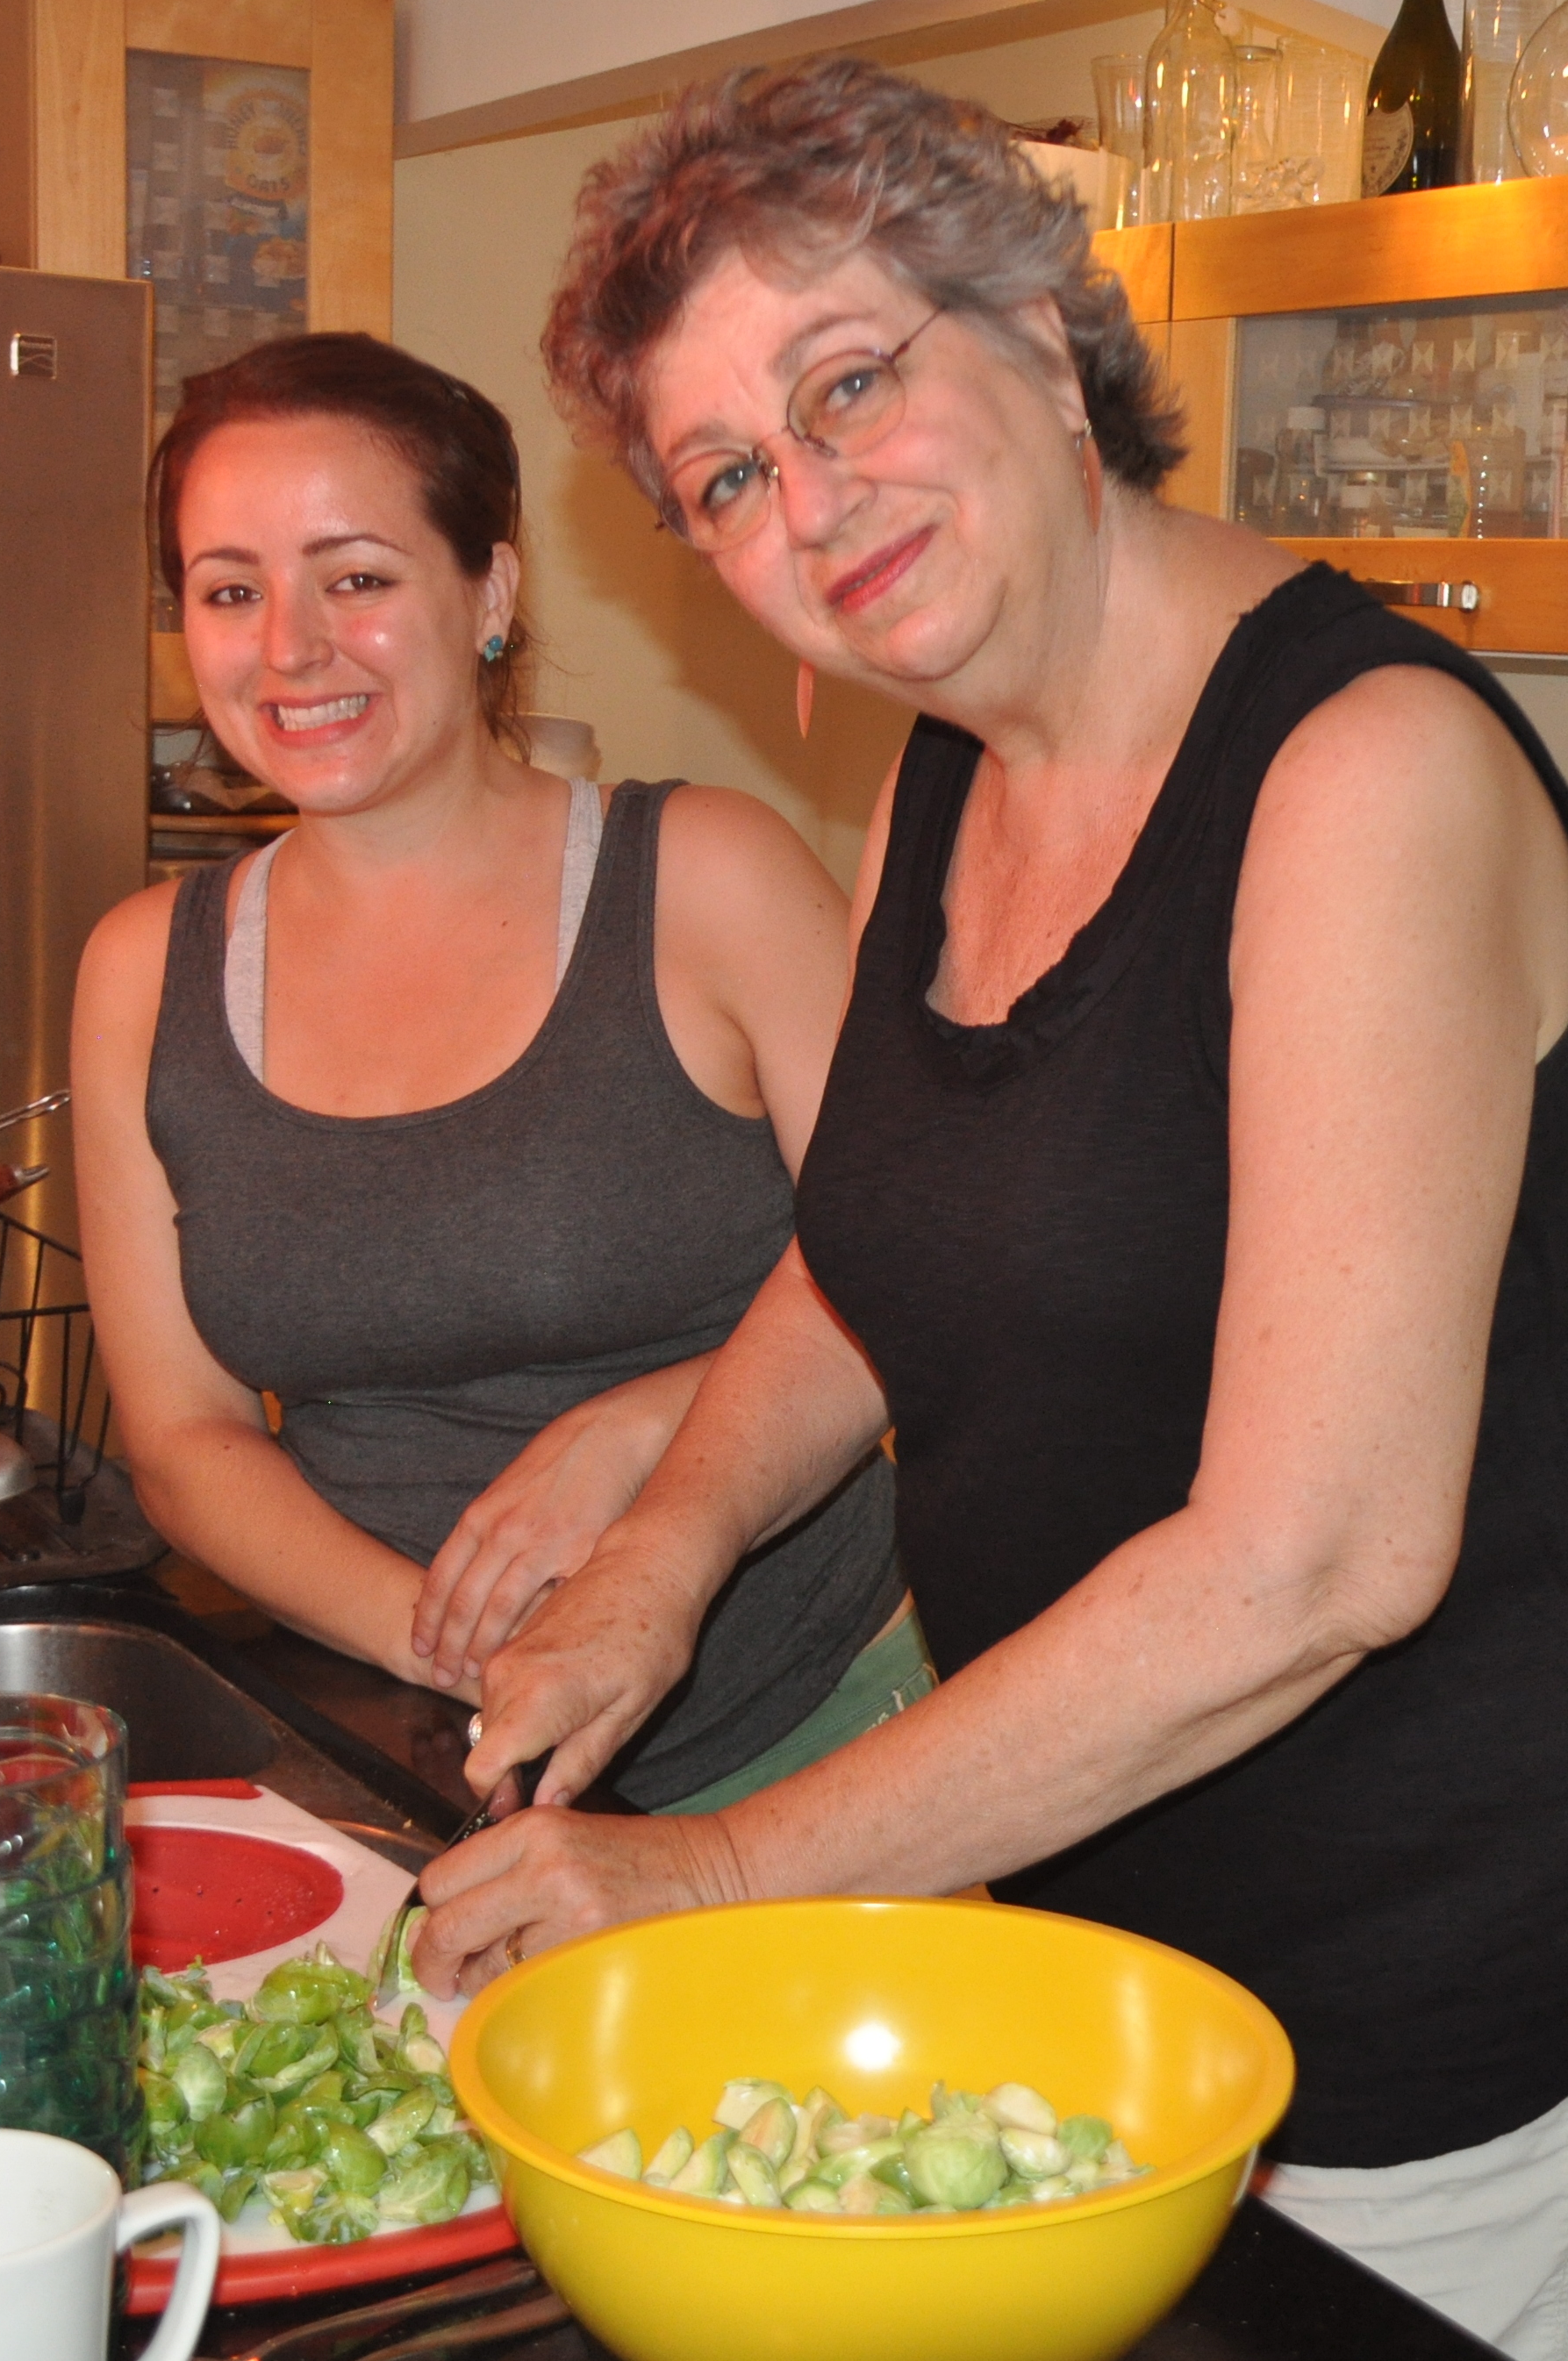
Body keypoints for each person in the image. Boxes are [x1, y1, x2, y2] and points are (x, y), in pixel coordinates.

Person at [408, 56, 1568, 2358]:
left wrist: (720, 1869)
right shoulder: (944, 773)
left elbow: (1320, 1556)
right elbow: (880, 1239)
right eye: (728, 477)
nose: (808, 498)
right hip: (1060, 1970)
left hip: (1397, 2050)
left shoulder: (1362, 772)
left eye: (847, 384)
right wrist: (663, 1547)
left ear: (1040, 334)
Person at [71, 329, 920, 1818]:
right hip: (401, 1754)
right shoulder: (146, 969)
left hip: (803, 1755)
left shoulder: (703, 880)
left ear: (491, 592)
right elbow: (187, 1442)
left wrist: (638, 1434)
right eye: (230, 590)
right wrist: (448, 1647)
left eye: (356, 578)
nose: (290, 648)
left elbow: (930, 1267)